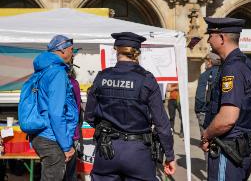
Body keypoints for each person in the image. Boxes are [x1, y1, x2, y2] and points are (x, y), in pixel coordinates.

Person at [85, 32, 176, 181]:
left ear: (116, 50)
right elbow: (161, 123)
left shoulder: (102, 77)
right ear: (137, 53)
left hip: (107, 150)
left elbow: (89, 117)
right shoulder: (146, 79)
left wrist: (106, 129)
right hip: (138, 152)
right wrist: (170, 155)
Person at [200, 17, 251, 181]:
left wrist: (206, 134)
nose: (208, 40)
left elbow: (227, 118)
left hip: (228, 151)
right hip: (238, 149)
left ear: (221, 38)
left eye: (210, 35)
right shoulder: (246, 63)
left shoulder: (232, 68)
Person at [30, 35, 79, 181]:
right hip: (52, 137)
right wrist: (66, 146)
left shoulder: (43, 69)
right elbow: (56, 113)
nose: (73, 53)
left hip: (42, 133)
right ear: (62, 50)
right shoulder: (57, 72)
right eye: (72, 49)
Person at [64, 55, 82, 181]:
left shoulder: (45, 80)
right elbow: (77, 107)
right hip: (69, 133)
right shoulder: (73, 83)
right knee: (69, 174)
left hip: (49, 134)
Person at [195, 52, 221, 135]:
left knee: (206, 138)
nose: (205, 63)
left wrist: (198, 110)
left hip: (205, 111)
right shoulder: (224, 73)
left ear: (209, 61)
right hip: (220, 111)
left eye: (205, 61)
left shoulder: (205, 75)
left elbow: (200, 96)